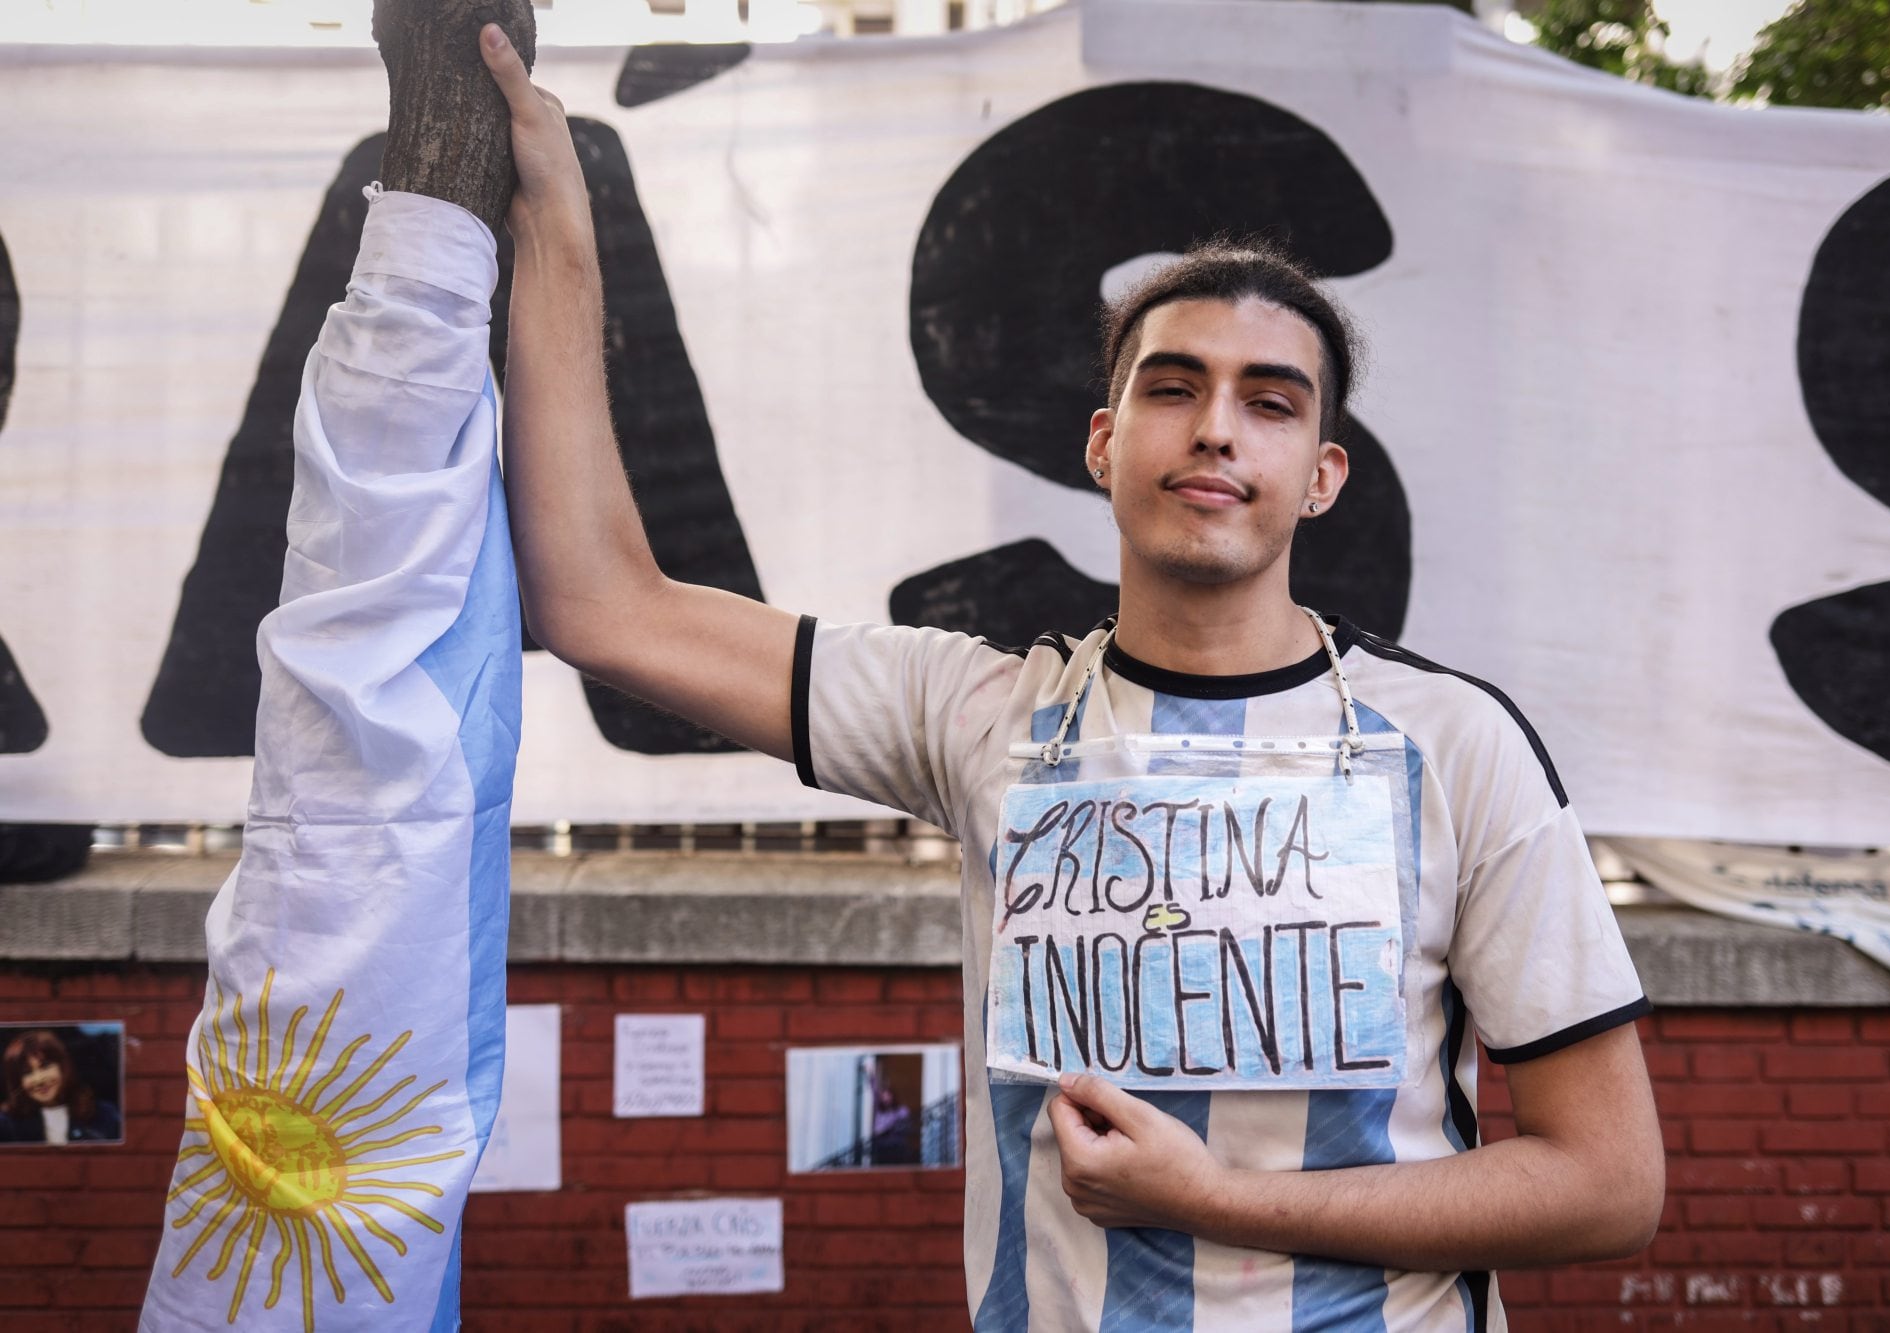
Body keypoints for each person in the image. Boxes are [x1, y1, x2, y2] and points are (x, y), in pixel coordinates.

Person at [372, 21, 1665, 1327]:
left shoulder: (1457, 745)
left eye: (1272, 400)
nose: (1216, 424)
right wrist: (557, 222)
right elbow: (603, 602)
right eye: (1174, 386)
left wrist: (1219, 1199)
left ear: (1323, 475)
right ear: (1103, 444)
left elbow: (1608, 1181)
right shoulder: (981, 716)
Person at [0, 1029, 121, 1145]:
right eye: (27, 1073)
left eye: (45, 1066)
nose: (39, 1079)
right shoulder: (6, 1125)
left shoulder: (105, 1115)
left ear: (63, 1066)